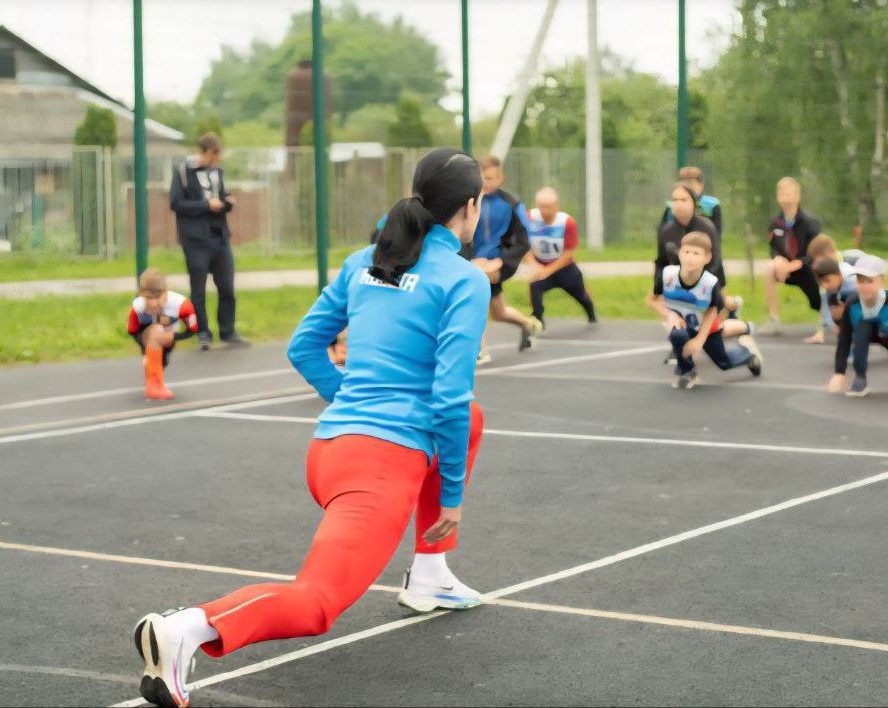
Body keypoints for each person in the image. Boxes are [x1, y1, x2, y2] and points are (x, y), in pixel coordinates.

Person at [132, 149, 491, 708]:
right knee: (317, 603)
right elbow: (446, 396)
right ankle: (188, 629)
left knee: (470, 422)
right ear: (471, 207)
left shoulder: (362, 261)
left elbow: (304, 346)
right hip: (378, 468)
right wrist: (450, 502)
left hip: (330, 450)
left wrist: (349, 397)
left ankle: (431, 574)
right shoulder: (464, 281)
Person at [647, 232, 762, 389]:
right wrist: (670, 315)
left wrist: (699, 340)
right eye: (687, 252)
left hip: (707, 327)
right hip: (685, 324)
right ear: (680, 253)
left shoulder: (710, 284)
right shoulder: (667, 275)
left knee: (724, 363)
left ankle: (747, 356)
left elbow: (712, 313)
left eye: (696, 253)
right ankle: (686, 371)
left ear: (707, 258)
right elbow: (652, 300)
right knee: (677, 334)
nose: (690, 257)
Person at [169, 132, 247, 350]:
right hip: (195, 239)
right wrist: (205, 205)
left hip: (219, 237)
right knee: (199, 289)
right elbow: (176, 203)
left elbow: (220, 197)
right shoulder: (184, 171)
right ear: (204, 152)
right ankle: (202, 332)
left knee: (227, 287)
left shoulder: (217, 172)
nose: (216, 160)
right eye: (213, 155)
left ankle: (228, 331)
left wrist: (227, 202)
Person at [470, 155, 541, 363]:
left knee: (475, 299)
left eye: (490, 178)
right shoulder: (470, 202)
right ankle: (528, 325)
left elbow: (523, 240)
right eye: (482, 178)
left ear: (500, 178)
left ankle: (480, 350)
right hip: (474, 263)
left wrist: (500, 261)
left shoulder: (511, 203)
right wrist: (472, 260)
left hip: (501, 263)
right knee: (499, 313)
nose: (486, 182)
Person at [826, 255, 888, 397]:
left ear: (883, 282)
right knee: (862, 327)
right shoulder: (852, 304)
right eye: (860, 281)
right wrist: (839, 372)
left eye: (869, 281)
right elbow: (844, 338)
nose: (864, 286)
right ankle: (860, 378)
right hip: (865, 333)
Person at [524, 186, 596, 327]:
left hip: (565, 269)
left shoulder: (567, 222)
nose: (545, 211)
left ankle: (591, 315)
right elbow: (523, 245)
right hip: (540, 265)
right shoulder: (529, 218)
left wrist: (548, 271)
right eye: (542, 207)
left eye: (548, 207)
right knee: (535, 287)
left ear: (556, 206)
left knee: (581, 295)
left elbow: (568, 253)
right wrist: (533, 264)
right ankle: (538, 320)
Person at [762, 177, 822, 335]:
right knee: (769, 268)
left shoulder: (810, 222)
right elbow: (773, 249)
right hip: (786, 272)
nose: (783, 195)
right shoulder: (775, 223)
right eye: (780, 191)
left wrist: (796, 264)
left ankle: (831, 318)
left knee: (818, 303)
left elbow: (816, 252)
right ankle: (774, 320)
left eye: (787, 192)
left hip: (808, 270)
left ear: (797, 196)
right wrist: (778, 259)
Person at [126, 268, 198, 401]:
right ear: (141, 294)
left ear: (165, 292)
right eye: (148, 298)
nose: (153, 303)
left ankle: (155, 374)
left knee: (162, 361)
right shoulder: (137, 308)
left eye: (157, 297)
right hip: (148, 333)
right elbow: (132, 331)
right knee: (156, 331)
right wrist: (145, 351)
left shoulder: (182, 305)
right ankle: (153, 387)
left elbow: (192, 331)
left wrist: (172, 337)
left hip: (170, 336)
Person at [803, 235, 858, 343]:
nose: (816, 264)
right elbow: (825, 301)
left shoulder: (848, 263)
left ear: (828, 254)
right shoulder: (826, 271)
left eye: (818, 259)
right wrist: (821, 331)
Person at [660, 166, 722, 237]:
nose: (688, 188)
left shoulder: (711, 205)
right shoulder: (671, 207)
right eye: (685, 184)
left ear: (701, 185)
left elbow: (717, 234)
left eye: (691, 184)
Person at [812, 258, 857, 340]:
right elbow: (825, 310)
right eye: (820, 282)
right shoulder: (827, 291)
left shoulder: (853, 284)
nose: (824, 286)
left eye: (827, 281)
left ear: (838, 275)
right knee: (835, 308)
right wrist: (833, 326)